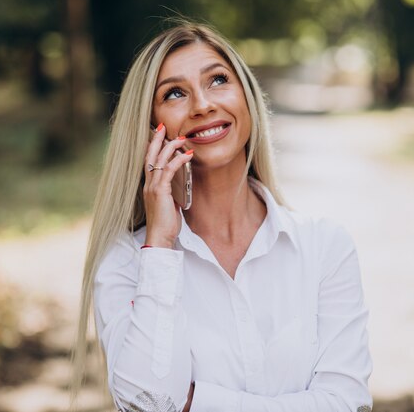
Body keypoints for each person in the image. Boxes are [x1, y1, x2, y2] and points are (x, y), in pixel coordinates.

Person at [72, 21, 373, 412]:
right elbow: (150, 404)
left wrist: (197, 403)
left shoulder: (324, 247)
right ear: (150, 129)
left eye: (217, 81)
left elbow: (347, 404)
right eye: (175, 93)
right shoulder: (127, 260)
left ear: (246, 97)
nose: (202, 105)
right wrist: (161, 245)